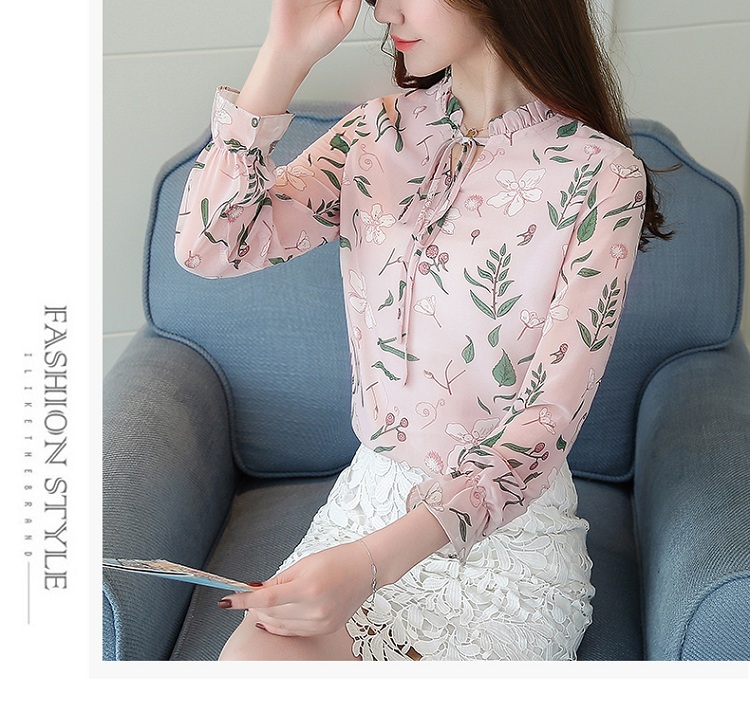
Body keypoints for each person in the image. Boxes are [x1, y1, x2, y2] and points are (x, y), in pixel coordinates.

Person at [174, 0, 671, 661]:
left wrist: (370, 565)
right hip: (362, 513)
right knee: (249, 669)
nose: (383, 8)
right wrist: (284, 55)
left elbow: (544, 426)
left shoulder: (602, 176)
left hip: (500, 545)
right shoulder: (373, 137)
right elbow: (210, 246)